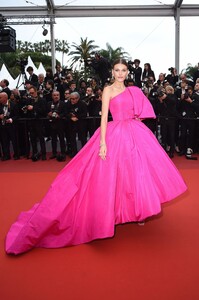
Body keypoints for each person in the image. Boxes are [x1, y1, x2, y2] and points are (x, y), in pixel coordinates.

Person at [5, 59, 187, 255]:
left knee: (137, 172)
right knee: (112, 174)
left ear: (128, 72)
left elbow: (142, 112)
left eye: (123, 70)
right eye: (117, 70)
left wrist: (135, 120)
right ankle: (114, 211)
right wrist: (102, 142)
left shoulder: (134, 90)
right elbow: (103, 118)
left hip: (135, 133)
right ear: (112, 71)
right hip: (114, 133)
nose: (120, 73)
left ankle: (138, 209)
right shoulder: (108, 90)